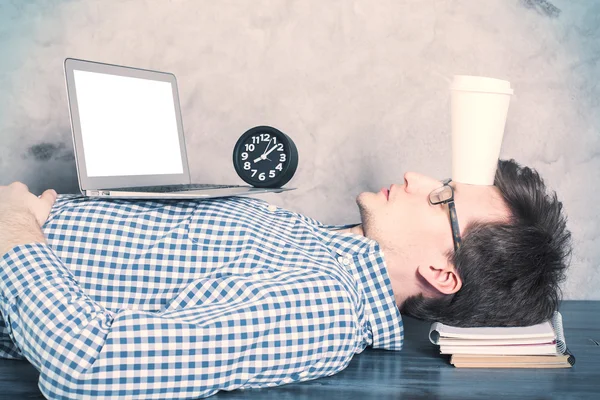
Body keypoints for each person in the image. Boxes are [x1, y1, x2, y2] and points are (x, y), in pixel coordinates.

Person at [0, 159, 571, 399]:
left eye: (441, 196)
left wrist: (16, 226)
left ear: (442, 273)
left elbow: (90, 362)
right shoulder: (326, 242)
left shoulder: (321, 307)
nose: (415, 176)